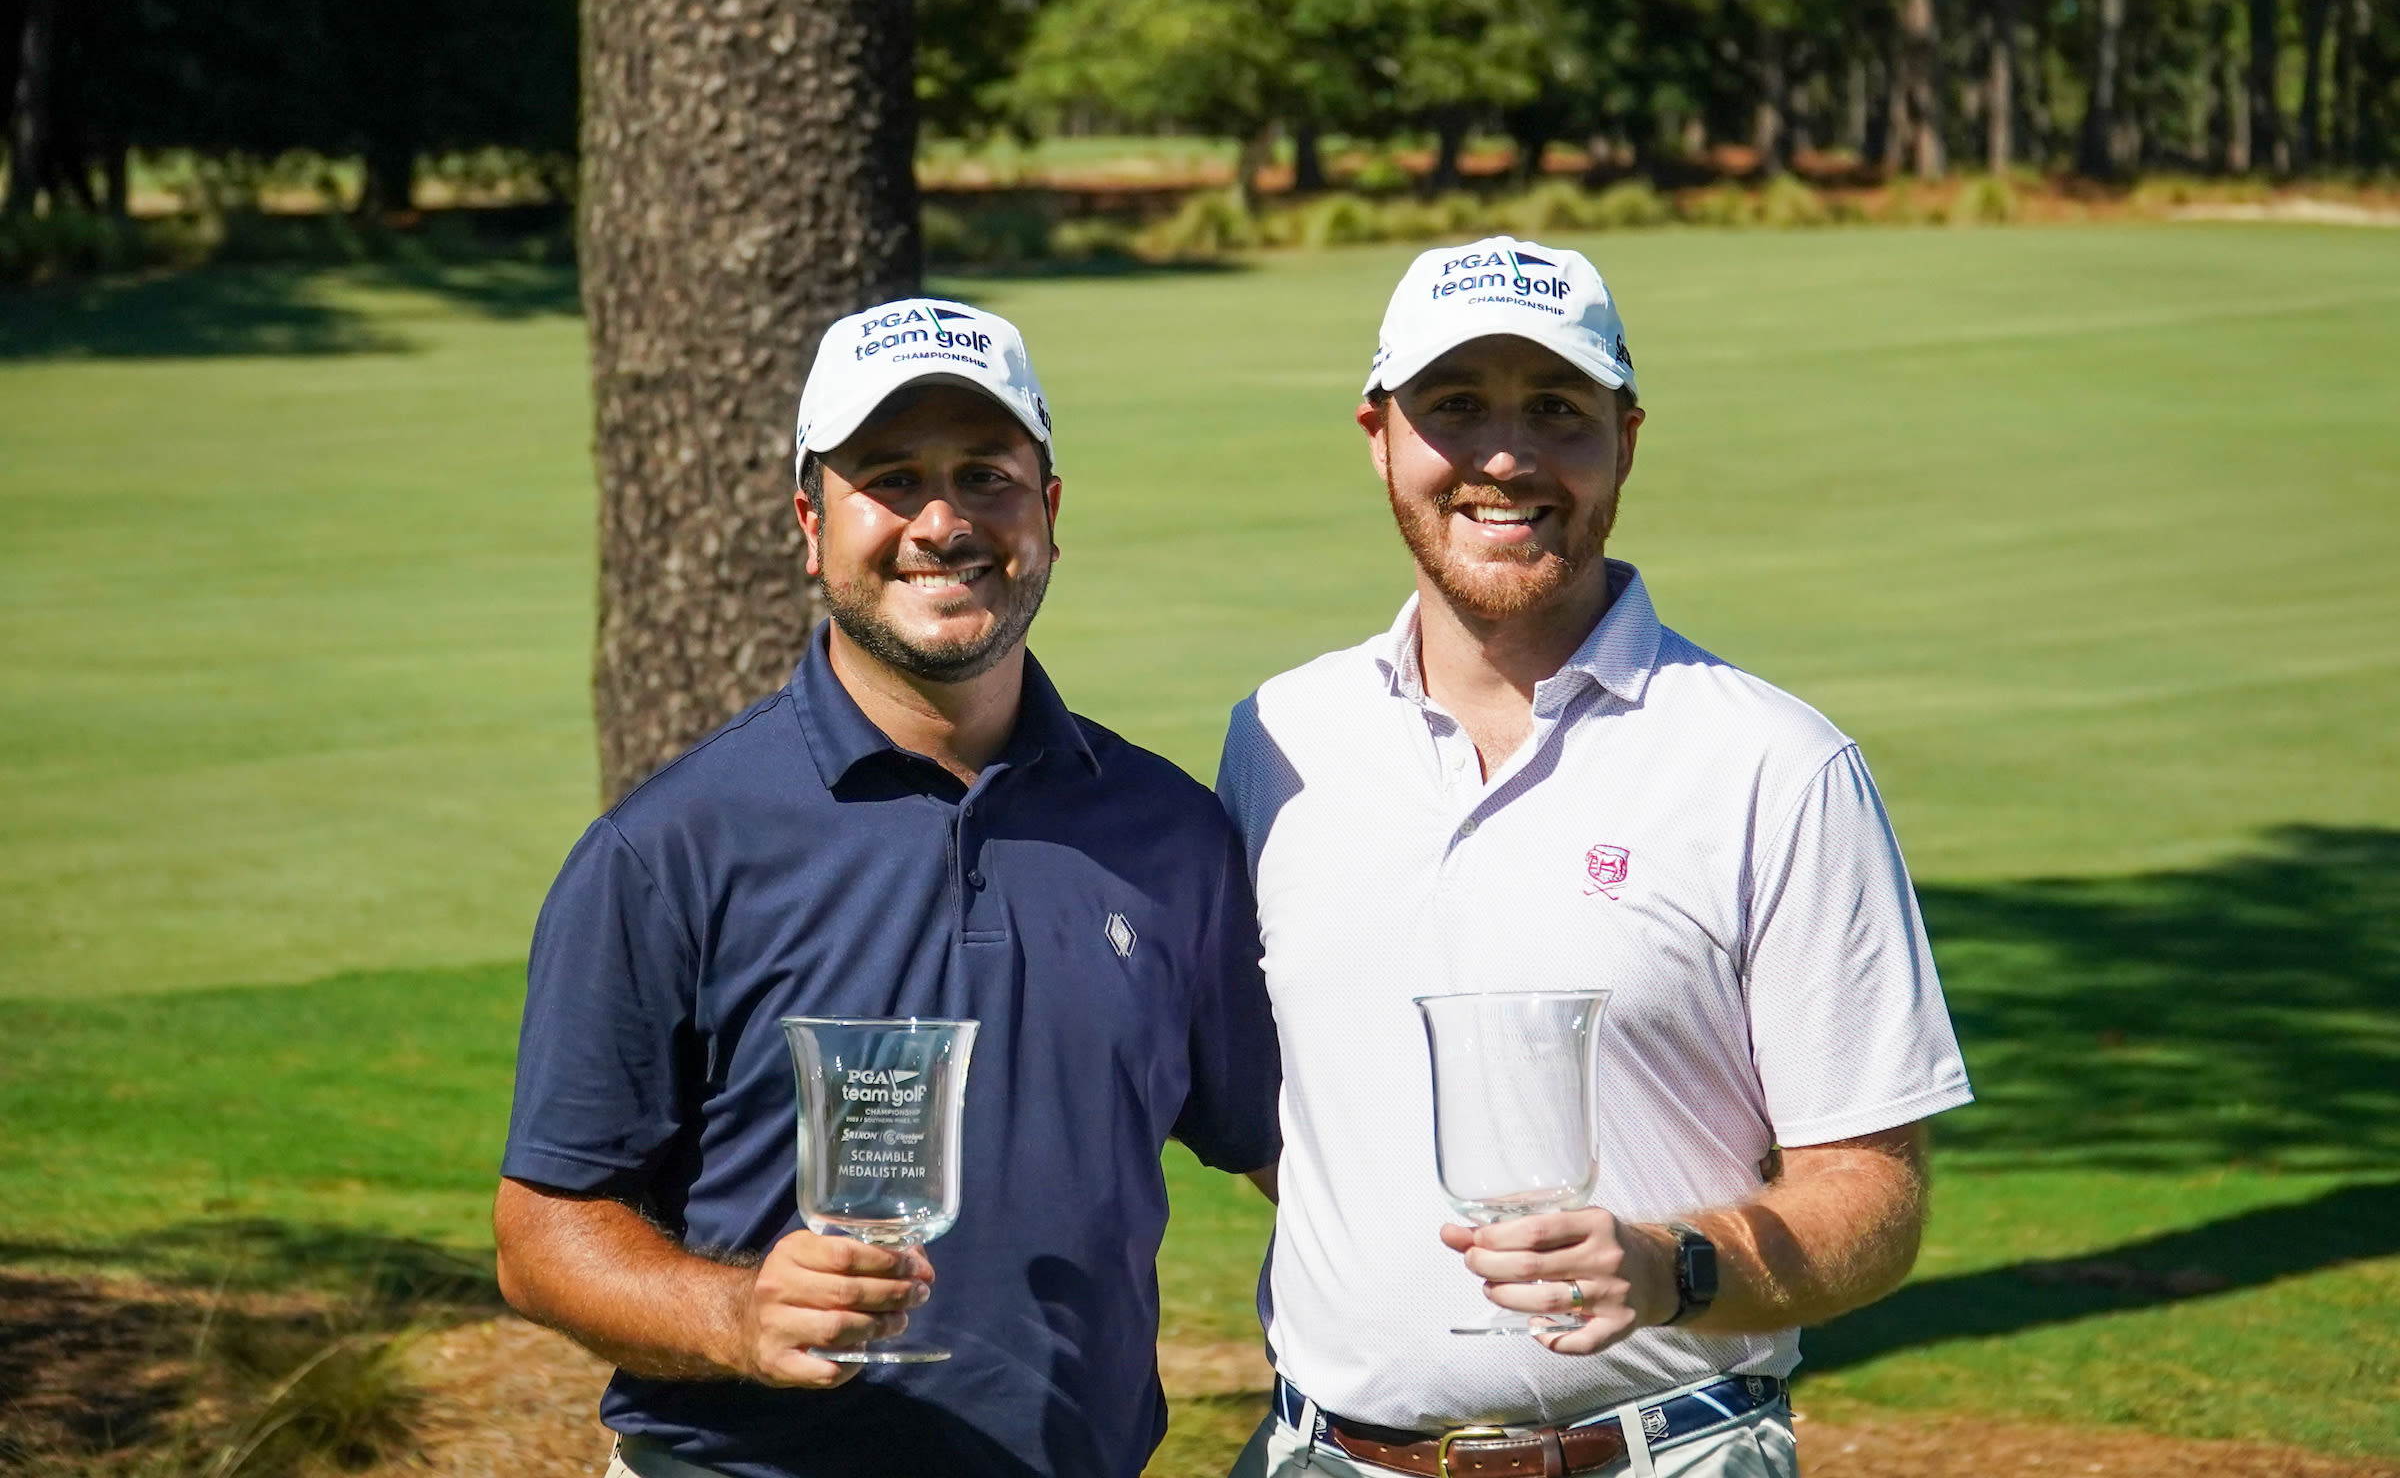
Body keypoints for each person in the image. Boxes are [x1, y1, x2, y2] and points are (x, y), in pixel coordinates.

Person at [1218, 237, 1973, 1478]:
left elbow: (1873, 1197)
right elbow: (1277, 1110)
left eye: (1556, 410)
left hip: (1665, 1452)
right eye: (1456, 406)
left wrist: (1670, 1267)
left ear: (1624, 437)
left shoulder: (1773, 764)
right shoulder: (1281, 737)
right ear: (1379, 434)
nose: (1506, 456)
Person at [495, 298, 1281, 1478]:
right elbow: (541, 1234)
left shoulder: (1168, 831)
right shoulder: (673, 846)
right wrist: (738, 1313)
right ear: (811, 522)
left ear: (1050, 514)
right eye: (890, 477)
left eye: (986, 474)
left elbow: (1283, 1146)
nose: (943, 520)